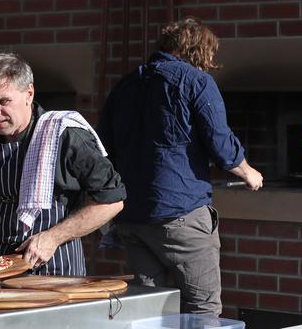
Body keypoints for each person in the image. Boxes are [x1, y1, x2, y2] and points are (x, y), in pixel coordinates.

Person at [97, 17, 263, 316]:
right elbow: (221, 144)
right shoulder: (196, 82)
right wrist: (249, 172)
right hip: (181, 213)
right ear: (199, 52)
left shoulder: (125, 85)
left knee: (148, 312)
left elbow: (104, 147)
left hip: (132, 217)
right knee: (202, 308)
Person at [0, 48, 126, 276]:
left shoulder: (64, 134)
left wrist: (53, 237)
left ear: (29, 94)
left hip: (56, 273)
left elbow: (113, 200)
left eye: (3, 101)